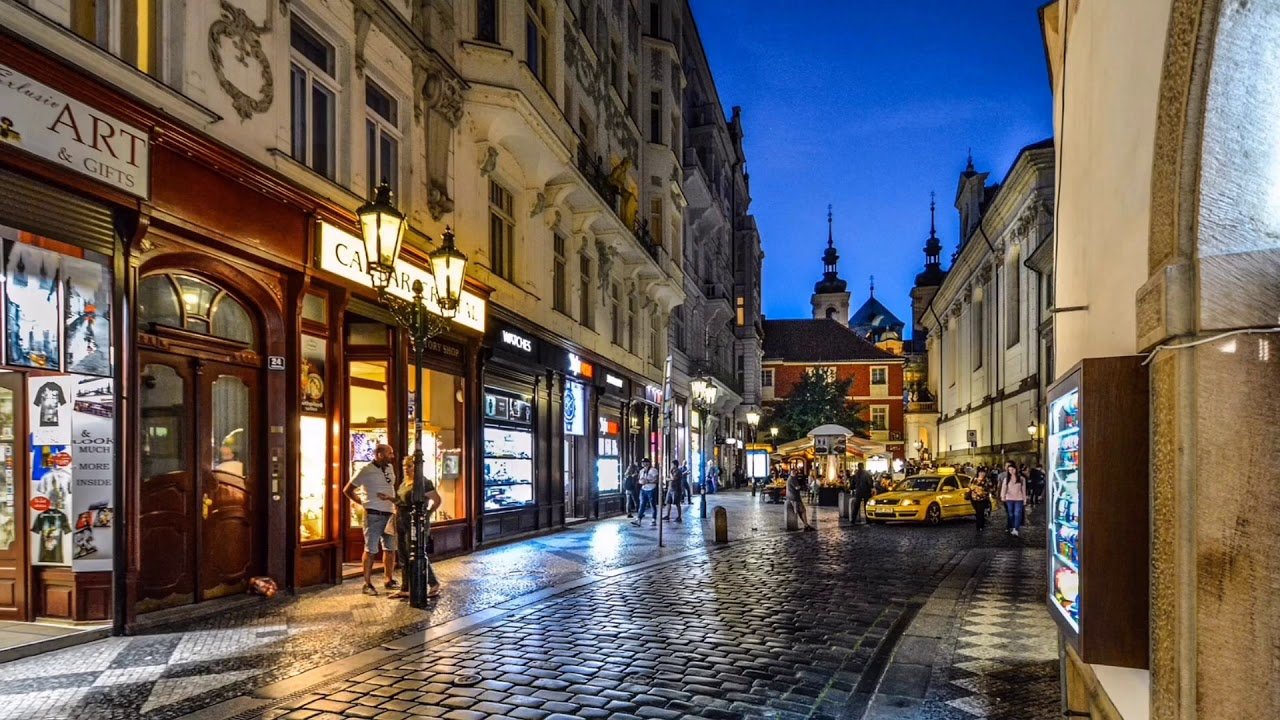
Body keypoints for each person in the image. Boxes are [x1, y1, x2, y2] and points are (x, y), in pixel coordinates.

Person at [342, 444, 399, 595]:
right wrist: (362, 503)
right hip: (373, 514)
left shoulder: (389, 468)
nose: (392, 456)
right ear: (379, 454)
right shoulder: (365, 470)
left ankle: (389, 579)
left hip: (389, 513)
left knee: (390, 548)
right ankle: (367, 583)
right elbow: (348, 490)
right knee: (371, 549)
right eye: (389, 453)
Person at [389, 453, 443, 600]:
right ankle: (405, 588)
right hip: (401, 519)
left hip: (415, 521)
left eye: (410, 466)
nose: (406, 469)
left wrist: (428, 513)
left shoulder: (423, 483)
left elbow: (437, 500)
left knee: (416, 552)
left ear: (417, 467)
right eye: (404, 466)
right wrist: (389, 499)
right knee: (403, 554)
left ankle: (433, 583)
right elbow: (401, 501)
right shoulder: (404, 482)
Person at [1000, 462, 1027, 536]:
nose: (1011, 471)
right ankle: (1011, 526)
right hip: (1009, 498)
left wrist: (1025, 499)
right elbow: (1004, 488)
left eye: (1012, 469)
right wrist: (1003, 496)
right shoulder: (1006, 479)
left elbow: (1023, 490)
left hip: (1019, 498)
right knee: (1011, 514)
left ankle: (1016, 529)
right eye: (1009, 470)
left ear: (1016, 469)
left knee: (1017, 513)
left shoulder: (1021, 479)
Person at [633, 459, 660, 526]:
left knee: (652, 505)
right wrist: (641, 482)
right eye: (642, 463)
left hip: (651, 489)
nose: (643, 464)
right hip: (643, 489)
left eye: (644, 462)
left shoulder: (653, 470)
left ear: (648, 463)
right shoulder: (641, 471)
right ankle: (638, 520)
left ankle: (653, 520)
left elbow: (657, 480)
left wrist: (648, 481)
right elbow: (639, 479)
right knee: (642, 504)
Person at [969, 468, 992, 532]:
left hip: (982, 498)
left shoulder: (987, 480)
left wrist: (981, 489)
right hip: (974, 498)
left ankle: (980, 526)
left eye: (983, 472)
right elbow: (970, 486)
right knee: (977, 512)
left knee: (980, 512)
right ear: (978, 473)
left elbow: (989, 487)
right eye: (980, 472)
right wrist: (974, 488)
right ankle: (979, 525)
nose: (982, 474)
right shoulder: (974, 479)